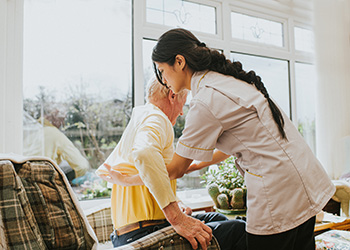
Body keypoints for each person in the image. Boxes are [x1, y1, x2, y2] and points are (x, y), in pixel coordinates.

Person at [112, 28, 336, 250]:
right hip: (302, 180)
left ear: (179, 62)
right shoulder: (224, 82)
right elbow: (234, 147)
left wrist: (126, 179)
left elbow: (174, 169)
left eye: (162, 70)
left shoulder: (205, 100)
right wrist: (191, 166)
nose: (163, 79)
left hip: (278, 191)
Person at [96, 79, 246, 250]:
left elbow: (180, 167)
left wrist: (235, 146)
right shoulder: (157, 118)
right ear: (172, 95)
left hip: (128, 234)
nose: (182, 112)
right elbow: (144, 153)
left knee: (218, 219)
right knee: (239, 229)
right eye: (184, 102)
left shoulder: (141, 117)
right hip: (144, 234)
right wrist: (177, 217)